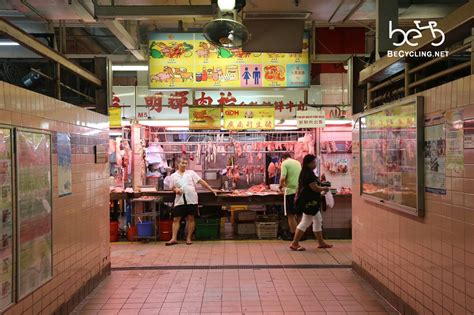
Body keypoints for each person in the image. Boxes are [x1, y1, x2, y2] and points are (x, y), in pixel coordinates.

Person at [166, 157, 217, 246]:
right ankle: (174, 238)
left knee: (191, 218)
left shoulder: (191, 173)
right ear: (178, 164)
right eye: (182, 163)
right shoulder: (173, 176)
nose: (184, 165)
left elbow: (201, 182)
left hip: (191, 199)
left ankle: (188, 238)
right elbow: (172, 187)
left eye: (186, 163)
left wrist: (211, 189)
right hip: (180, 200)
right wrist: (176, 189)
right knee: (176, 219)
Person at [290, 154, 333, 251]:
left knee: (317, 220)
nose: (315, 164)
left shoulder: (306, 172)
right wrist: (324, 189)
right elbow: (315, 188)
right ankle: (294, 243)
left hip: (310, 201)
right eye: (313, 162)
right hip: (309, 202)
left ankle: (321, 242)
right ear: (308, 164)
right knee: (306, 222)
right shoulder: (309, 174)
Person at [279, 152, 302, 240]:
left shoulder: (285, 163)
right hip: (299, 191)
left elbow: (283, 178)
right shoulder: (297, 163)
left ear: (282, 159)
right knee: (298, 214)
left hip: (290, 192)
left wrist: (280, 186)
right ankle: (300, 234)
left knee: (290, 214)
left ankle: (294, 235)